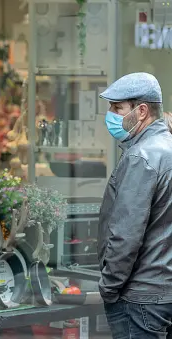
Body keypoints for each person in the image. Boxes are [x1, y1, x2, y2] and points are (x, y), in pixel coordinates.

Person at [98, 72, 172, 338]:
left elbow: (126, 234)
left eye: (117, 108)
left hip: (141, 296)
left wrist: (108, 287)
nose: (111, 115)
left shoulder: (142, 157)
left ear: (141, 111)